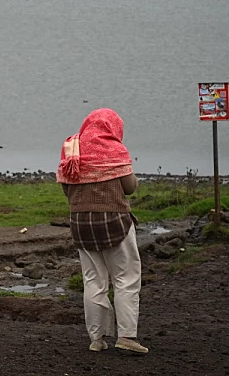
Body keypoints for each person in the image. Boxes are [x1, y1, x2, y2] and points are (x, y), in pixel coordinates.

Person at [57, 108, 148, 355]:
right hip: (114, 221)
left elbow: (66, 188)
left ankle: (96, 339)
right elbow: (129, 188)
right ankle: (126, 336)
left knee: (93, 280)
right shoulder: (115, 149)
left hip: (81, 223)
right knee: (125, 278)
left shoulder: (72, 148)